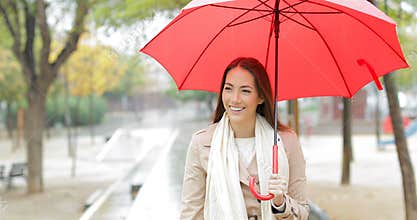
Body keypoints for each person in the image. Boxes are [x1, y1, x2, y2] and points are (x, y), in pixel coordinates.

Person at [180, 57, 309, 220]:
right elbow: (191, 213)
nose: (234, 99)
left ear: (261, 97)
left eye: (245, 91)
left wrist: (280, 203)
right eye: (228, 89)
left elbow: (302, 212)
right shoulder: (202, 143)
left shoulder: (286, 142)